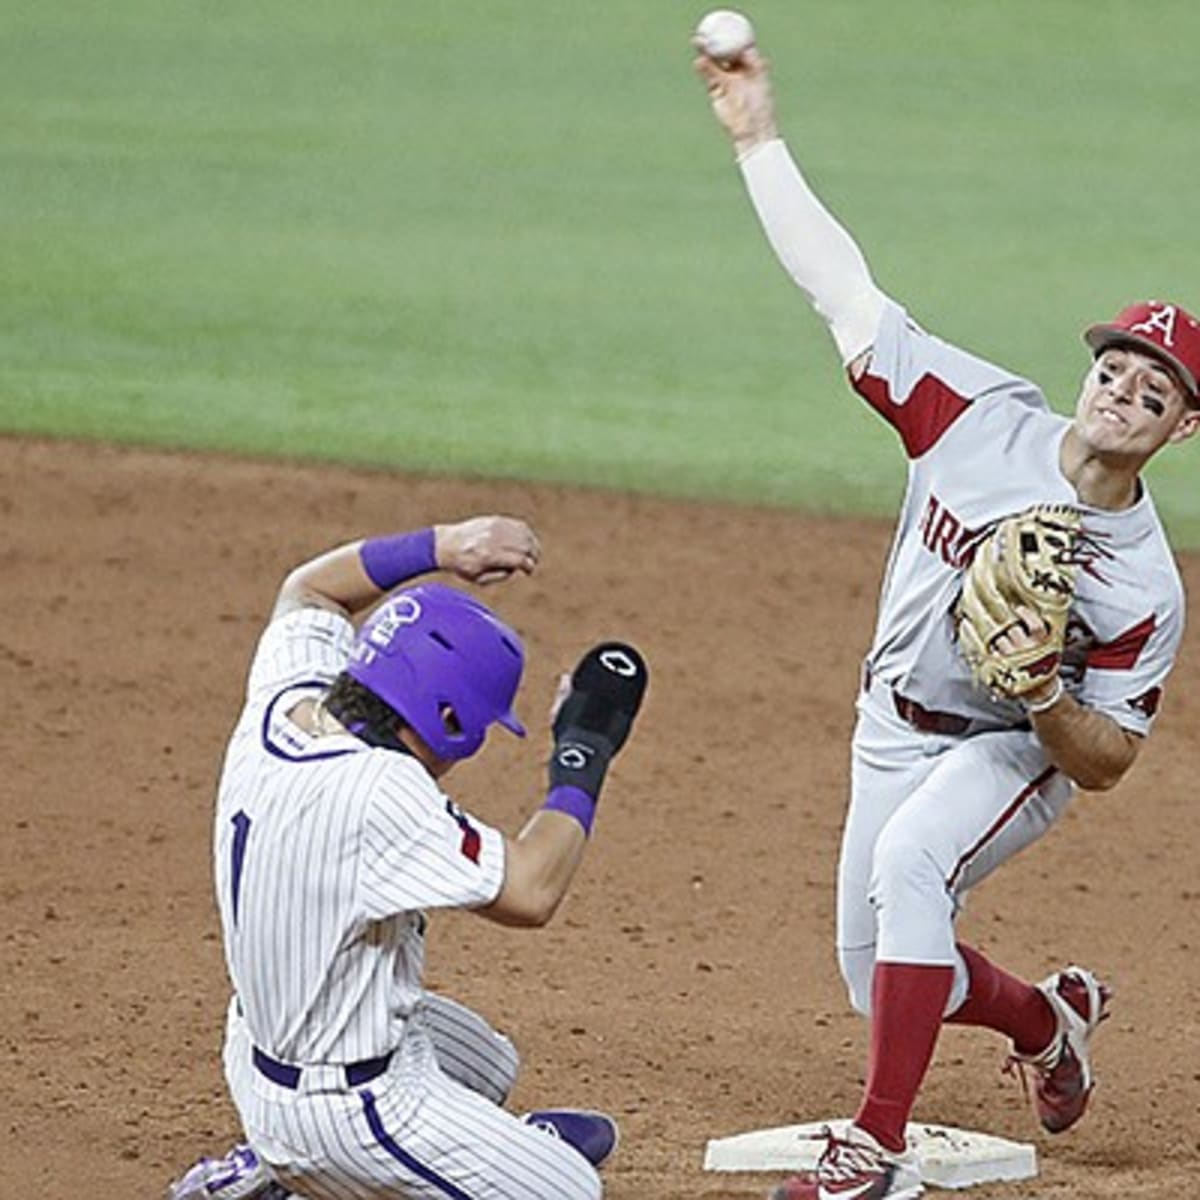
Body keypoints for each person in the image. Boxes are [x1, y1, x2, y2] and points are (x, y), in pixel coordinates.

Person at [694, 38, 1200, 1200]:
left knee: (917, 863)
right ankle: (1048, 1021)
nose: (1125, 393)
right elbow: (841, 288)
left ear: (1180, 430)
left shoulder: (1142, 585)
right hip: (890, 718)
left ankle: (873, 1150)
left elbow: (1113, 758)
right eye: (1118, 371)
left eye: (1155, 392)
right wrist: (756, 137)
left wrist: (1039, 696)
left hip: (1011, 747)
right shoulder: (970, 413)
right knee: (874, 974)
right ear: (1092, 375)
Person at [165, 514, 648, 1200]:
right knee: (568, 1189)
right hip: (340, 1113)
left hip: (261, 1044)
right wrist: (585, 745)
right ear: (446, 720)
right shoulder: (377, 792)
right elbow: (532, 889)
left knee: (486, 1065)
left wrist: (444, 547)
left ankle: (278, 1167)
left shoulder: (287, 700)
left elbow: (311, 591)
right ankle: (293, 1175)